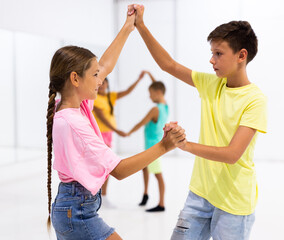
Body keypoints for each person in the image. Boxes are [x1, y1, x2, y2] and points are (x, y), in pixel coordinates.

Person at [46, 6, 186, 240]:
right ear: (75, 79)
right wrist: (164, 146)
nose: (100, 81)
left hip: (71, 207)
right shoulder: (73, 122)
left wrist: (128, 27)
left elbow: (105, 65)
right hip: (77, 213)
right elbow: (119, 170)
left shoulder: (69, 104)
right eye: (94, 76)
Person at [130, 4, 267, 240]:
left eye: (218, 53)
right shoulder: (211, 83)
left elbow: (232, 154)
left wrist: (183, 144)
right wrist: (140, 26)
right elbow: (168, 65)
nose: (211, 60)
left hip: (234, 204)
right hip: (199, 195)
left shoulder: (256, 100)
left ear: (241, 56)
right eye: (212, 52)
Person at [92, 73, 144, 207]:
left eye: (105, 83)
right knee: (102, 166)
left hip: (108, 135)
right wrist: (117, 130)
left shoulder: (110, 97)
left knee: (105, 166)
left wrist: (138, 79)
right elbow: (101, 117)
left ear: (108, 84)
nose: (102, 85)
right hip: (98, 135)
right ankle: (97, 196)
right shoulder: (94, 98)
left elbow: (127, 91)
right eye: (101, 83)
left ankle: (102, 196)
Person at [127, 70, 168, 212]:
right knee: (144, 168)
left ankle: (161, 204)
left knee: (158, 174)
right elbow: (158, 87)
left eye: (150, 93)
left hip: (152, 147)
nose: (149, 96)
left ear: (157, 92)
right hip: (152, 144)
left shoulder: (154, 110)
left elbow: (141, 123)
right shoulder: (165, 105)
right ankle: (145, 194)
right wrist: (149, 75)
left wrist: (128, 132)